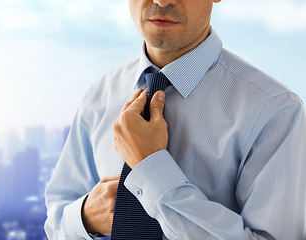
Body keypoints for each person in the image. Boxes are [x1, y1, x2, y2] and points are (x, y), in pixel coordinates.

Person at [44, 0, 306, 239]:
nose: (161, 1)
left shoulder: (275, 111)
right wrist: (84, 218)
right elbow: (56, 221)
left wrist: (150, 167)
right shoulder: (100, 95)